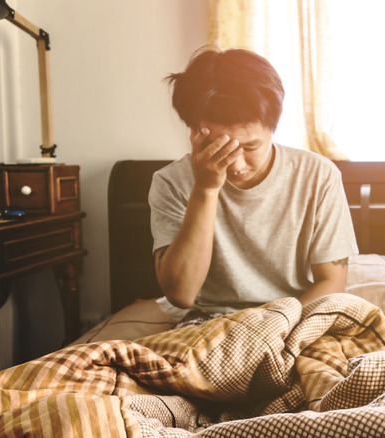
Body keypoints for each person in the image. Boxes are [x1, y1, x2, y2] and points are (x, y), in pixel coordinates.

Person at [148, 47, 358, 317]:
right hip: (212, 323)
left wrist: (271, 328)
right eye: (218, 146)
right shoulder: (171, 183)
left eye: (250, 147)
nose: (236, 165)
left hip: (297, 318)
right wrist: (206, 189)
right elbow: (181, 294)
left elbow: (331, 283)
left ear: (273, 129)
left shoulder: (318, 175)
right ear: (193, 131)